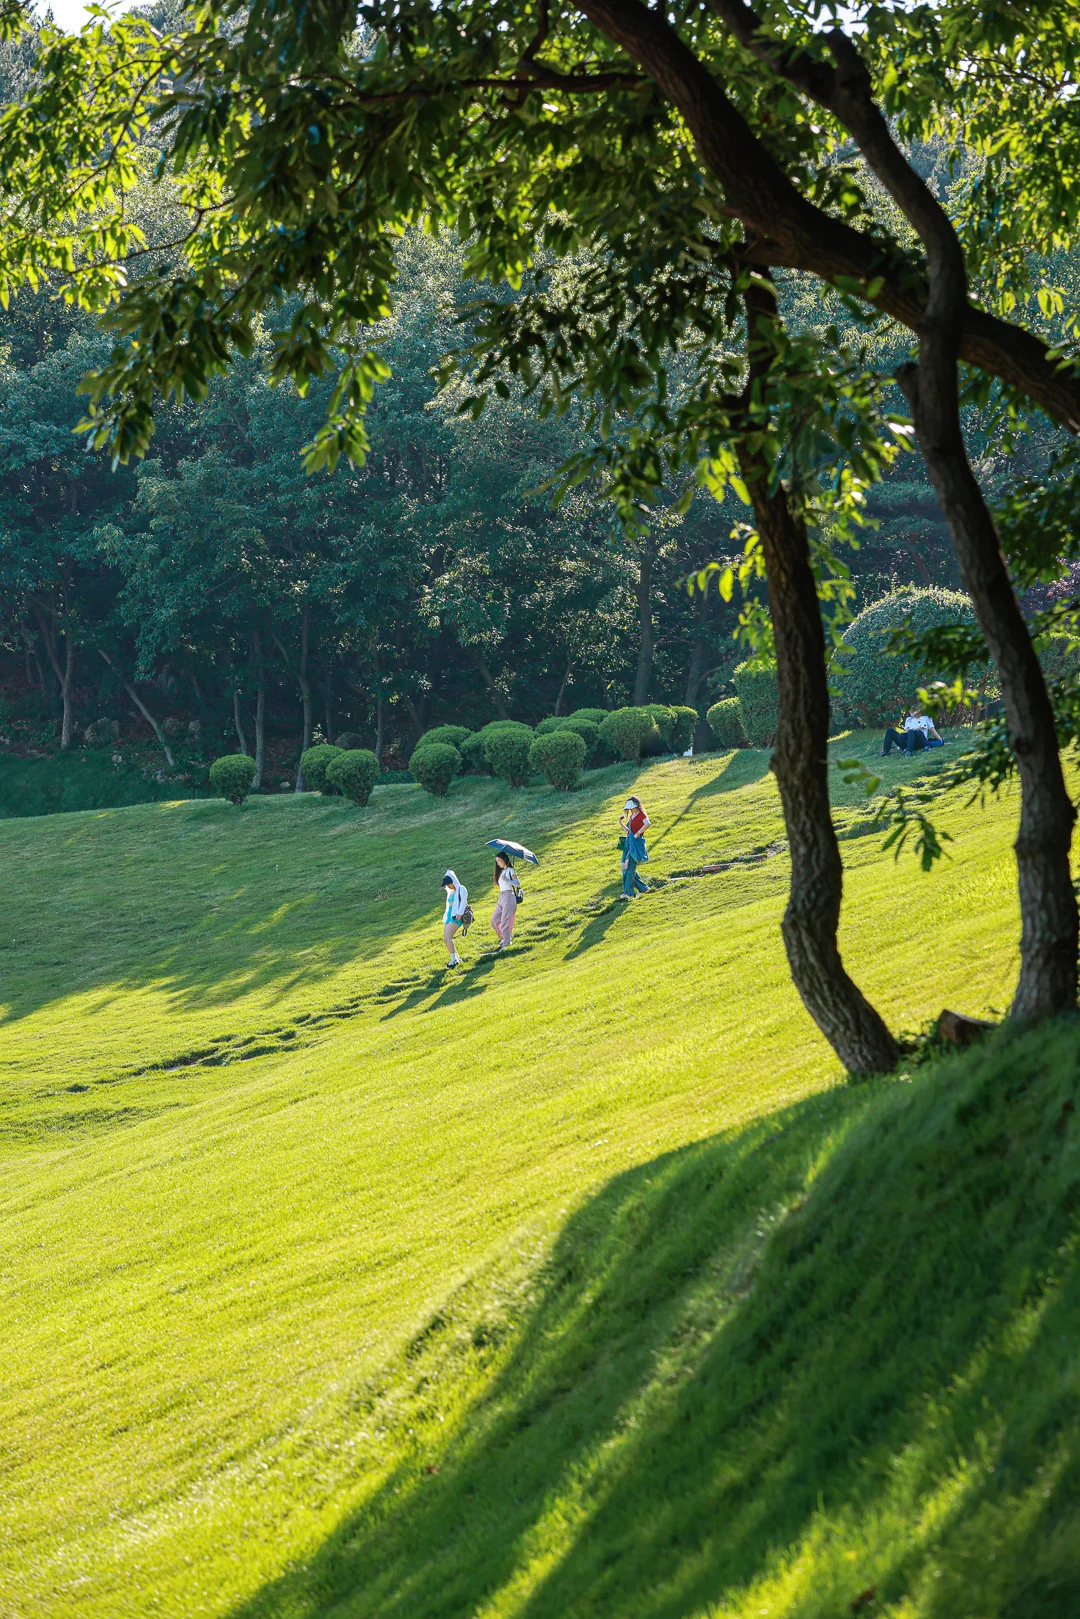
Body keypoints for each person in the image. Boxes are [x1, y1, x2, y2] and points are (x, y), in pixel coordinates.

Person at [618, 795, 650, 899]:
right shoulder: (632, 815)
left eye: (632, 807)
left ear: (636, 805)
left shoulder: (641, 815)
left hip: (635, 844)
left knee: (629, 867)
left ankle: (628, 893)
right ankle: (644, 889)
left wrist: (638, 833)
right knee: (624, 868)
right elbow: (629, 831)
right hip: (628, 843)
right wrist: (621, 824)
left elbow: (647, 824)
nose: (630, 809)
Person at [490, 850, 521, 951]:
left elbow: (517, 883)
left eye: (499, 861)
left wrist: (507, 880)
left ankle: (507, 943)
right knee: (494, 920)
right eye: (497, 861)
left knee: (504, 921)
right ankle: (505, 938)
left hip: (509, 896)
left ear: (504, 859)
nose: (498, 863)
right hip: (501, 897)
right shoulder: (502, 872)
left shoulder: (511, 871)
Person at [441, 869, 468, 967]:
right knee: (446, 938)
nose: (448, 886)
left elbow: (464, 902)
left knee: (448, 937)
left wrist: (459, 913)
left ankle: (454, 960)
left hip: (456, 917)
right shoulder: (451, 892)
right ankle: (456, 958)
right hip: (449, 916)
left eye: (449, 884)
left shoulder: (461, 889)